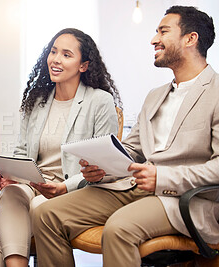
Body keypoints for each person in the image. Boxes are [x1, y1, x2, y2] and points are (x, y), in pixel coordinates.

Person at [33, 6, 218, 267]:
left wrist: (161, 177)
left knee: (118, 228)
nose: (154, 40)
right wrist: (103, 166)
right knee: (45, 214)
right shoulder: (156, 95)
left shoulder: (217, 92)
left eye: (163, 31)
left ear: (191, 39)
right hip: (134, 188)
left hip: (185, 200)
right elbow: (131, 150)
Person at [0, 28, 122, 267]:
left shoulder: (99, 101)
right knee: (9, 193)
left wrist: (62, 187)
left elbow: (104, 165)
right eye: (53, 51)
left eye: (67, 54)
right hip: (34, 183)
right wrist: (13, 175)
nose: (56, 59)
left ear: (84, 65)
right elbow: (21, 152)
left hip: (73, 190)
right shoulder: (37, 101)